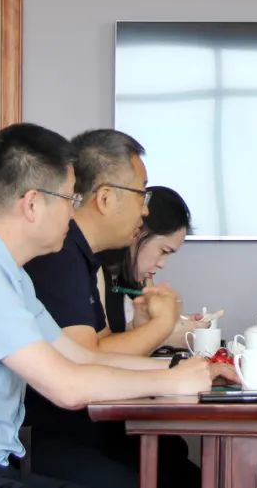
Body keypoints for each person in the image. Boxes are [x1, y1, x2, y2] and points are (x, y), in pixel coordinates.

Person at [0, 123, 232, 488]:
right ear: (32, 204)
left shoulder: (7, 274)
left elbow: (80, 357)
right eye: (70, 199)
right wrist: (169, 381)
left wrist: (189, 369)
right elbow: (67, 387)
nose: (74, 212)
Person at [23, 132, 200, 488]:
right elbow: (84, 364)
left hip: (80, 428)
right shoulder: (58, 256)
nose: (145, 210)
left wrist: (184, 368)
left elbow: (93, 352)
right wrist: (162, 330)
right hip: (49, 436)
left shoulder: (82, 257)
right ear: (104, 198)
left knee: (179, 465)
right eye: (141, 194)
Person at [97, 185, 201, 339]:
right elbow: (96, 346)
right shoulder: (94, 268)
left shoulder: (141, 276)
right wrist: (165, 337)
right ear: (139, 231)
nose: (162, 264)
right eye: (163, 251)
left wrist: (177, 325)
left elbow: (124, 335)